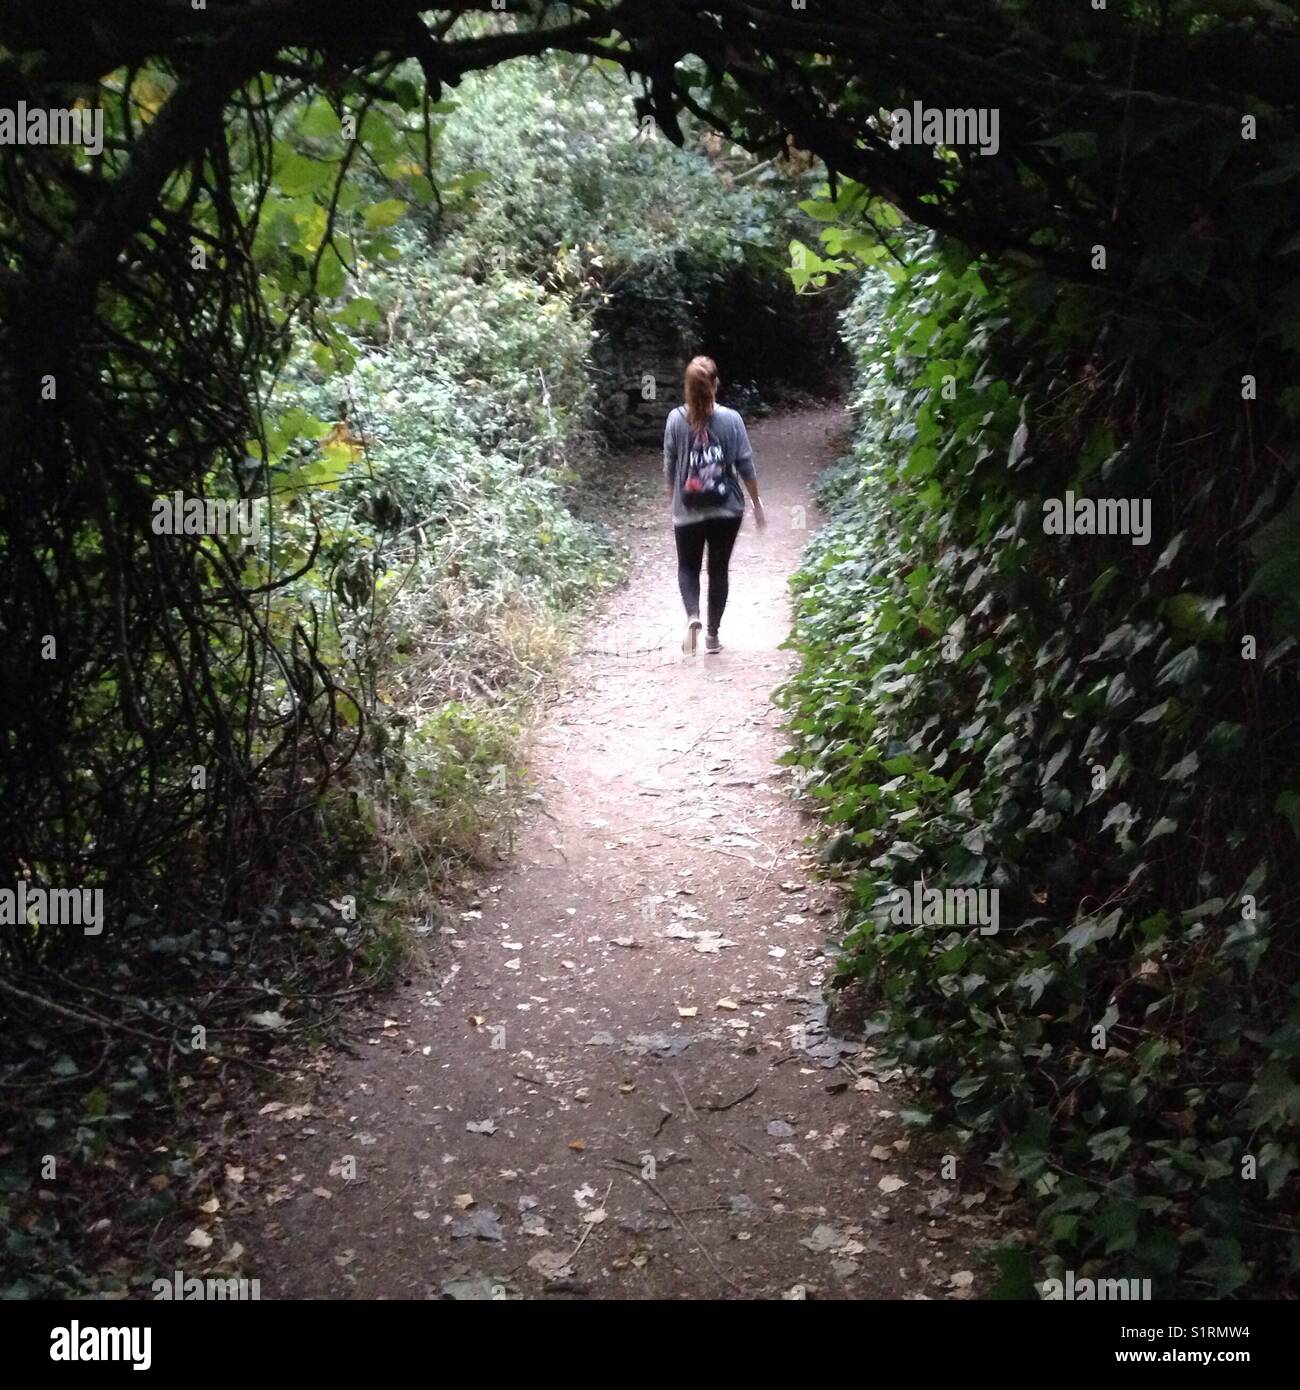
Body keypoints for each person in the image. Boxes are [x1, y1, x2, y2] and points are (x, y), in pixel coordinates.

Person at [663, 356, 765, 654]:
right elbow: (745, 465)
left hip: (688, 508)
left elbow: (669, 464)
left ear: (687, 387)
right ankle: (712, 637)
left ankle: (693, 617)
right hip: (727, 508)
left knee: (688, 567)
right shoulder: (732, 419)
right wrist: (756, 502)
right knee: (718, 570)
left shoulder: (674, 419)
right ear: (716, 384)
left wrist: (672, 499)